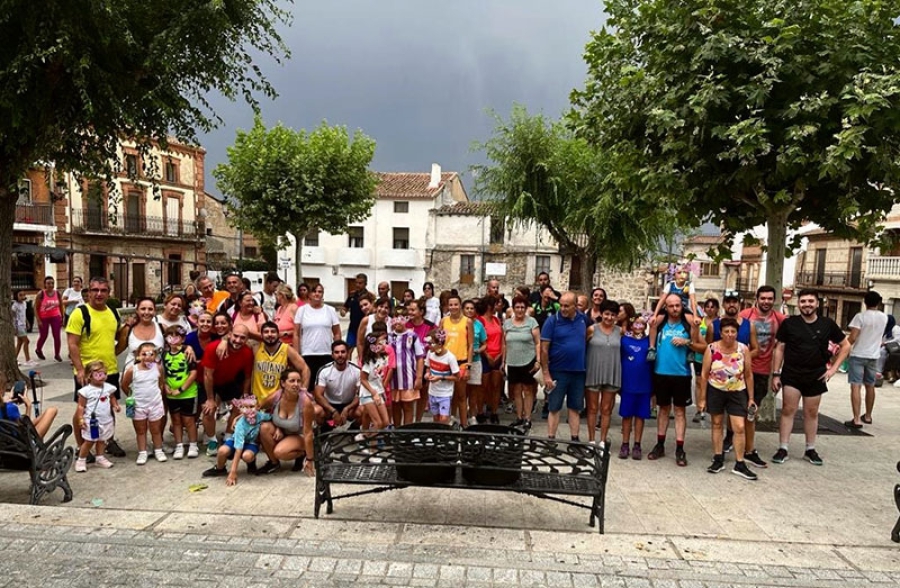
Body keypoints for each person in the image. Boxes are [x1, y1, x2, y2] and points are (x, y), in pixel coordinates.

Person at [771, 289, 851, 466]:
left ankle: (810, 449)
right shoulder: (789, 323)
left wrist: (833, 370)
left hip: (816, 374)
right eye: (803, 301)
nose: (807, 304)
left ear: (817, 303)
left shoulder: (828, 324)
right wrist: (776, 373)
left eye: (810, 301)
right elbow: (780, 348)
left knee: (811, 412)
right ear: (798, 304)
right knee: (787, 410)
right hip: (791, 373)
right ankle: (783, 447)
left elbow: (845, 346)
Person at [66, 276, 128, 457]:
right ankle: (81, 445)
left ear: (109, 293)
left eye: (103, 290)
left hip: (110, 370)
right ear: (89, 292)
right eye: (95, 290)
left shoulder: (114, 313)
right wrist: (79, 370)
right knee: (82, 408)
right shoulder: (80, 313)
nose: (99, 294)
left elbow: (120, 338)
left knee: (108, 407)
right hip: (87, 373)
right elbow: (72, 344)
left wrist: (116, 349)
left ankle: (108, 440)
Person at [647, 294, 707, 466]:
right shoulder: (660, 323)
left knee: (680, 412)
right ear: (666, 307)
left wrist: (687, 342)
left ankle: (680, 448)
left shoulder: (688, 324)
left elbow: (704, 348)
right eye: (671, 306)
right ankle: (660, 444)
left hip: (682, 374)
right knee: (663, 410)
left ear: (682, 306)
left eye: (678, 305)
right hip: (661, 373)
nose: (674, 309)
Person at [697, 317, 757, 480]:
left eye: (733, 331)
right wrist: (702, 398)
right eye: (726, 331)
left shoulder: (743, 349)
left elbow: (748, 374)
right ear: (721, 333)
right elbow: (704, 374)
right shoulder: (712, 348)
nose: (730, 335)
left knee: (739, 426)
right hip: (716, 390)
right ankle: (718, 457)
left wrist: (751, 398)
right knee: (717, 424)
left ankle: (740, 462)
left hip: (737, 391)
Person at [739, 285, 786, 467]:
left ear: (774, 300)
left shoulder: (780, 319)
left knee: (752, 410)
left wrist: (776, 374)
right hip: (741, 369)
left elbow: (784, 344)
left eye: (769, 298)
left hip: (762, 371)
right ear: (756, 299)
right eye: (763, 298)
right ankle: (733, 439)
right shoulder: (745, 315)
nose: (766, 301)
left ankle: (749, 449)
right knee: (737, 408)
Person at [540, 292, 591, 442]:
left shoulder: (583, 319)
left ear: (575, 306)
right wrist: (546, 373)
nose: (562, 308)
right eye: (561, 305)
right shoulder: (552, 321)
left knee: (575, 407)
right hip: (558, 371)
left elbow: (592, 332)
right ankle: (551, 439)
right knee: (554, 407)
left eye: (567, 306)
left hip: (578, 371)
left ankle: (574, 439)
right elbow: (544, 349)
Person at [201, 325, 255, 455]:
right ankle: (212, 439)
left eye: (242, 338)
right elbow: (208, 375)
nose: (238, 340)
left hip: (228, 381)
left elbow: (248, 377)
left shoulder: (247, 352)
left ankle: (229, 435)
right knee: (209, 409)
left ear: (247, 339)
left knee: (239, 406)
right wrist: (210, 399)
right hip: (208, 381)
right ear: (229, 334)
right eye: (236, 336)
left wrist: (245, 395)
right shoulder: (214, 347)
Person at [257, 367, 319, 476]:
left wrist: (310, 459)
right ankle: (274, 463)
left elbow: (308, 433)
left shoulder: (305, 402)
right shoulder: (276, 396)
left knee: (279, 452)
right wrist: (278, 427)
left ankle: (303, 454)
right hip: (284, 432)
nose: (296, 384)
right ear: (283, 383)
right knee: (264, 428)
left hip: (300, 435)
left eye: (298, 381)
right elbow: (257, 408)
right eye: (292, 381)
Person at [203, 394, 270, 485]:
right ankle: (220, 468)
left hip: (251, 443)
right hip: (235, 441)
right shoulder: (240, 425)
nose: (249, 410)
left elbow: (272, 417)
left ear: (257, 407)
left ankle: (251, 463)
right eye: (245, 407)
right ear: (240, 409)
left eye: (252, 406)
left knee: (247, 456)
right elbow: (239, 449)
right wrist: (233, 472)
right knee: (222, 451)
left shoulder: (260, 416)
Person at [844, 291, 888, 428]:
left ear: (865, 302)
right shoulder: (884, 317)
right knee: (870, 385)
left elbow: (853, 337)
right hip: (873, 356)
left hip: (858, 355)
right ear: (879, 302)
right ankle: (868, 416)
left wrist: (844, 348)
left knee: (855, 386)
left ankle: (856, 419)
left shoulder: (860, 317)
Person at [120, 342, 167, 465]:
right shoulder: (132, 370)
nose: (148, 356)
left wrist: (158, 396)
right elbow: (124, 385)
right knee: (140, 430)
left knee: (156, 429)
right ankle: (142, 451)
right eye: (144, 354)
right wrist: (131, 396)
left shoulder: (158, 368)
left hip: (155, 403)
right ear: (138, 355)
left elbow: (161, 382)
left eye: (151, 354)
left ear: (155, 355)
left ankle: (158, 449)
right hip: (139, 405)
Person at [161, 325, 201, 460]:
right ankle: (179, 445)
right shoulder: (164, 354)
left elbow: (193, 373)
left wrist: (181, 389)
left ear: (183, 338)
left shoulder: (187, 352)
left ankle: (193, 444)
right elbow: (163, 372)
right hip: (171, 394)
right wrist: (165, 385)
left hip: (188, 393)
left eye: (176, 336)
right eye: (170, 336)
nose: (173, 340)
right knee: (176, 420)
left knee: (189, 420)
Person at [586, 300, 622, 447]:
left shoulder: (620, 331)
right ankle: (591, 440)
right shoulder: (591, 329)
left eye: (612, 315)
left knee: (606, 409)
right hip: (593, 371)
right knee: (592, 408)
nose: (609, 317)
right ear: (601, 313)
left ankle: (602, 441)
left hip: (611, 372)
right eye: (607, 314)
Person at [74, 360, 120, 472]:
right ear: (89, 376)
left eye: (104, 374)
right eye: (98, 374)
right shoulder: (85, 391)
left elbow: (112, 397)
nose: (102, 377)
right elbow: (81, 406)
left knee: (102, 440)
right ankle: (81, 459)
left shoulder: (108, 387)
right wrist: (80, 419)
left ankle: (100, 457)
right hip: (92, 421)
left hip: (106, 419)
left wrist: (115, 405)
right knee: (89, 441)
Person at [503, 295, 541, 430]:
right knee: (516, 390)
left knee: (528, 390)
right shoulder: (507, 323)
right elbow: (504, 344)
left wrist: (538, 360)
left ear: (526, 309)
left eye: (522, 307)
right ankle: (519, 417)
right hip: (513, 361)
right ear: (513, 309)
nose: (520, 310)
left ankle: (527, 418)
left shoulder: (532, 322)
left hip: (528, 360)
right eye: (517, 307)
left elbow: (537, 343)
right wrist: (503, 361)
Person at [294, 284, 341, 389]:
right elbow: (296, 334)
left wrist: (337, 351)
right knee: (308, 386)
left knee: (325, 387)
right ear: (309, 294)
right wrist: (297, 355)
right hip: (307, 353)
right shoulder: (302, 311)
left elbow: (337, 332)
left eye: (320, 291)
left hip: (326, 354)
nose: (317, 294)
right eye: (314, 291)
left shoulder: (330, 310)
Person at [252, 321, 310, 406]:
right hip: (257, 400)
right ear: (261, 335)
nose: (270, 334)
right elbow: (242, 332)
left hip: (278, 400)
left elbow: (305, 369)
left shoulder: (286, 349)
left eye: (273, 331)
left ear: (278, 334)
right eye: (266, 332)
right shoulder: (255, 347)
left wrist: (303, 391)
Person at [619, 314, 652, 460]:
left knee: (640, 416)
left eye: (642, 324)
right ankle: (625, 443)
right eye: (636, 324)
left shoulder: (649, 341)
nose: (638, 327)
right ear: (631, 325)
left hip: (644, 384)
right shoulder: (624, 340)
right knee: (627, 416)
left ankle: (637, 444)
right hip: (627, 384)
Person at [440, 294, 474, 427]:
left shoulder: (467, 321)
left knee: (461, 395)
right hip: (445, 362)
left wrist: (468, 365)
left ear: (460, 305)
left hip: (461, 361)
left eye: (456, 304)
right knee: (446, 395)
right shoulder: (443, 321)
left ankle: (464, 424)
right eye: (451, 305)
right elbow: (439, 341)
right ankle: (446, 422)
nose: (453, 307)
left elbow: (471, 344)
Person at [313, 340, 362, 433]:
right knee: (316, 411)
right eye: (336, 352)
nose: (340, 355)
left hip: (350, 405)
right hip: (329, 405)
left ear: (348, 353)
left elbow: (360, 394)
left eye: (343, 352)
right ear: (332, 355)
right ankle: (325, 428)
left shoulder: (357, 370)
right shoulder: (324, 371)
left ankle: (354, 429)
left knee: (364, 410)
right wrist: (333, 411)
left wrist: (347, 408)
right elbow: (318, 395)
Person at [358, 328, 392, 451]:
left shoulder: (383, 358)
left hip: (378, 391)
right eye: (380, 343)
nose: (384, 345)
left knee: (385, 422)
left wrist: (381, 392)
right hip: (368, 393)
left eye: (384, 342)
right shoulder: (368, 362)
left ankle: (364, 437)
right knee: (377, 423)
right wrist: (374, 393)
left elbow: (380, 377)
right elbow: (363, 380)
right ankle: (372, 450)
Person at [389, 313, 425, 427]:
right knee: (395, 406)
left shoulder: (412, 336)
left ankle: (406, 434)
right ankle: (397, 431)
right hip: (393, 379)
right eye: (396, 319)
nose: (398, 322)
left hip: (409, 378)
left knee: (408, 406)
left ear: (406, 320)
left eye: (401, 319)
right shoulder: (389, 337)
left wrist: (419, 377)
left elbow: (420, 358)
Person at [476, 295, 505, 424]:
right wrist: (487, 355)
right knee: (483, 386)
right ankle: (480, 411)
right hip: (485, 356)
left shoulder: (497, 320)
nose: (498, 307)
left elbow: (502, 339)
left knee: (496, 386)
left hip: (497, 355)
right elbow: (479, 340)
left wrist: (500, 355)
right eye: (496, 304)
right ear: (489, 306)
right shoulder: (480, 320)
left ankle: (494, 412)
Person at [406, 298, 435, 421]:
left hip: (424, 365)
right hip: (408, 365)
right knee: (409, 396)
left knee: (423, 394)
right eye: (409, 310)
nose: (410, 312)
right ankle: (408, 422)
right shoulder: (405, 325)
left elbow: (438, 343)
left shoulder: (430, 326)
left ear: (421, 311)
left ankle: (418, 420)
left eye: (413, 310)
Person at [118, 298, 165, 372]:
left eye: (150, 309)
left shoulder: (162, 328)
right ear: (137, 311)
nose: (146, 312)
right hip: (132, 377)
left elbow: (175, 345)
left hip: (156, 377)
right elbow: (117, 350)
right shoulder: (129, 329)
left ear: (155, 311)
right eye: (143, 309)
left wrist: (188, 347)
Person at [424, 328, 460, 424]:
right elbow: (428, 367)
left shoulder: (450, 358)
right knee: (436, 418)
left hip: (445, 394)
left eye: (431, 343)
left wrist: (441, 378)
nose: (429, 346)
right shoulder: (430, 354)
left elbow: (457, 377)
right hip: (432, 392)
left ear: (439, 344)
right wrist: (427, 374)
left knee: (443, 419)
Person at [462, 299, 487, 424]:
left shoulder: (479, 325)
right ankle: (461, 416)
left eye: (472, 308)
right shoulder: (459, 323)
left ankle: (472, 416)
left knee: (473, 391)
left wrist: (478, 350)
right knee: (461, 391)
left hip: (475, 361)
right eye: (467, 308)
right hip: (460, 360)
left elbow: (484, 344)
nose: (469, 310)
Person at [35, 275, 63, 362]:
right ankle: (38, 350)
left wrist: (62, 316)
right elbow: (35, 308)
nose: (50, 285)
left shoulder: (57, 293)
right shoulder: (41, 294)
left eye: (52, 283)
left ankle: (57, 354)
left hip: (55, 317)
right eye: (48, 283)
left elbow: (61, 305)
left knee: (57, 336)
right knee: (44, 335)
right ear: (45, 284)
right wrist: (38, 320)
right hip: (44, 318)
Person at [342, 273, 370, 349]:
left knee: (363, 350)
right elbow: (345, 307)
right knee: (348, 349)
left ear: (365, 284)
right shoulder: (352, 295)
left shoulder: (370, 296)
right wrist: (343, 311)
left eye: (360, 283)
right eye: (356, 282)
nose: (357, 285)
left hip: (365, 327)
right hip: (353, 327)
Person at [13, 290, 35, 366]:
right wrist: (14, 328)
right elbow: (13, 317)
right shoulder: (15, 306)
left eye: (23, 295)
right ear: (16, 296)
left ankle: (14, 359)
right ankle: (27, 359)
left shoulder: (24, 304)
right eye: (20, 295)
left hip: (23, 325)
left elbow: (23, 314)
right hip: (18, 326)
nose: (22, 297)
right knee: (26, 341)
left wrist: (27, 322)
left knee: (20, 342)